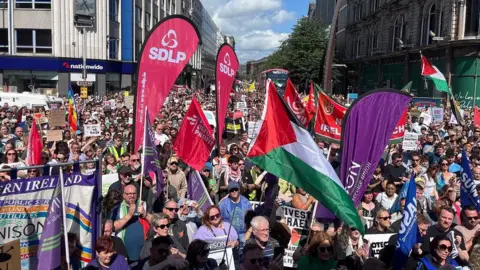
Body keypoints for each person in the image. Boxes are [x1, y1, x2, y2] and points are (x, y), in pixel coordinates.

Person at [110, 184, 152, 265]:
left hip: (143, 252)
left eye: (134, 193)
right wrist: (129, 215)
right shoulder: (117, 208)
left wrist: (145, 214)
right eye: (128, 194)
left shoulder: (144, 205)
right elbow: (112, 227)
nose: (131, 196)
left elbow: (155, 222)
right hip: (124, 252)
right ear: (123, 195)